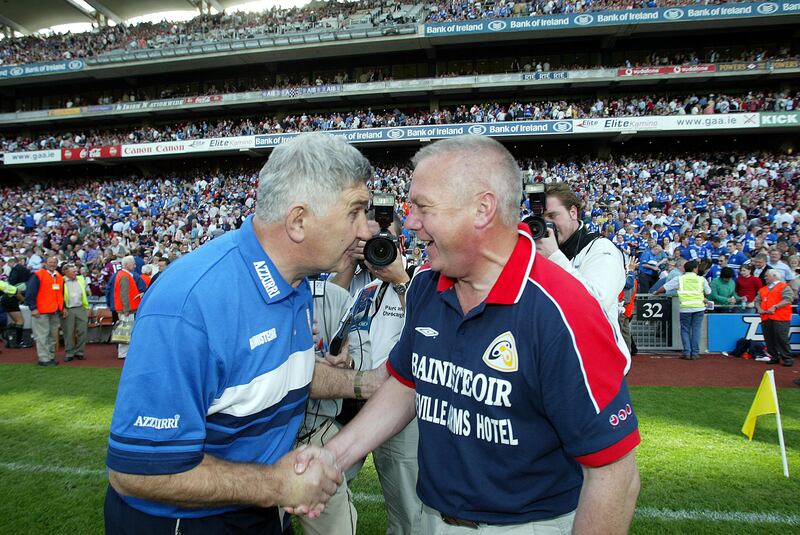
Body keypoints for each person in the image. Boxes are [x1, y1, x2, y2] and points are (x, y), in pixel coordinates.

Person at [309, 135, 641, 534]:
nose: (409, 222)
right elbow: (407, 384)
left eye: (423, 208)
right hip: (434, 518)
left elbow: (614, 474)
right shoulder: (427, 286)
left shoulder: (563, 310)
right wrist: (332, 458)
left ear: (482, 209)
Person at [105, 133, 389, 533]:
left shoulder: (295, 281)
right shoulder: (189, 305)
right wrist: (275, 484)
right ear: (298, 221)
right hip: (186, 521)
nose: (366, 230)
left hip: (258, 505)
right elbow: (138, 472)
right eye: (355, 212)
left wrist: (365, 383)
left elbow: (280, 375)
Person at [333, 211, 423, 535]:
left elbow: (426, 327)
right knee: (329, 485)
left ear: (400, 243)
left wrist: (400, 280)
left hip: (400, 409)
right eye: (367, 243)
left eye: (383, 241)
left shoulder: (418, 282)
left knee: (407, 510)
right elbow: (336, 335)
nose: (376, 249)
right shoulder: (365, 289)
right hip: (355, 405)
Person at [537, 182, 631, 373]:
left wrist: (554, 257)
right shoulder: (540, 253)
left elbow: (597, 302)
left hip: (599, 367)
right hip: (557, 364)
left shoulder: (601, 248)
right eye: (541, 218)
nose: (547, 225)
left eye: (553, 216)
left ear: (573, 212)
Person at [656, 260, 711, 360]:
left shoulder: (680, 279)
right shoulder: (701, 279)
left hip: (685, 308)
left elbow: (664, 287)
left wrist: (656, 292)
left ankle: (687, 352)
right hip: (699, 307)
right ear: (695, 269)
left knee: (685, 330)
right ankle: (695, 352)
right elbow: (708, 291)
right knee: (696, 330)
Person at [25, 256, 64, 367]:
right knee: (42, 336)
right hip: (41, 311)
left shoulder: (58, 276)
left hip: (54, 310)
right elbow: (30, 293)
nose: (53, 264)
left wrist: (62, 308)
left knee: (52, 336)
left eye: (54, 262)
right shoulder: (38, 275)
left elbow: (61, 294)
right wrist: (33, 307)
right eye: (50, 262)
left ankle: (50, 357)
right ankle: (43, 358)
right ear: (45, 263)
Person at [754, 269, 794, 367]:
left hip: (780, 317)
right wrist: (759, 308)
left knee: (781, 338)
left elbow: (788, 299)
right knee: (769, 338)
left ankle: (787, 357)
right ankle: (774, 356)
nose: (765, 278)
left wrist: (775, 306)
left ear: (774, 276)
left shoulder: (784, 287)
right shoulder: (763, 289)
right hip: (766, 317)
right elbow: (757, 300)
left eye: (767, 276)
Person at [113, 255, 142, 360]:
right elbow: (124, 294)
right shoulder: (124, 276)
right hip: (127, 310)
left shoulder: (123, 275)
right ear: (126, 264)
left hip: (127, 308)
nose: (135, 266)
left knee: (125, 330)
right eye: (133, 263)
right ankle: (123, 353)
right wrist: (126, 309)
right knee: (125, 331)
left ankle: (124, 352)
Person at [61, 263, 89, 362]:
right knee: (68, 332)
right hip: (68, 309)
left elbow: (85, 293)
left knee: (83, 331)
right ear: (66, 272)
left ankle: (80, 352)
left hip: (80, 307)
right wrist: (63, 308)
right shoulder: (61, 281)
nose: (76, 273)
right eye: (73, 272)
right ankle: (69, 353)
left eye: (76, 271)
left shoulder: (81, 279)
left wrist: (86, 307)